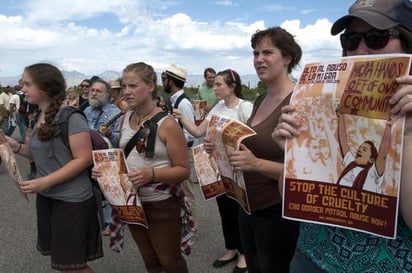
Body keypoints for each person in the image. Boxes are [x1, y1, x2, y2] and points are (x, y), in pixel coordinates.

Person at [272, 1, 412, 272]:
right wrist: (290, 152)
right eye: (350, 39)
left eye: (376, 37)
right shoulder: (321, 101)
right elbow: (288, 196)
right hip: (310, 256)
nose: (359, 49)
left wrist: (407, 132)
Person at [204, 27, 302, 273]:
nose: (259, 59)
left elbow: (308, 172)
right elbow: (250, 145)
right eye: (256, 52)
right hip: (247, 205)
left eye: (267, 52)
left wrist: (256, 164)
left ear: (287, 57)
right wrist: (220, 145)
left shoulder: (300, 101)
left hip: (276, 211)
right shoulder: (261, 99)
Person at [93, 62, 193, 273]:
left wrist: (152, 173)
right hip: (132, 203)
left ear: (150, 87)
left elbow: (184, 170)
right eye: (124, 86)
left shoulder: (168, 124)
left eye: (133, 86)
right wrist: (106, 171)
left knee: (170, 260)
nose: (127, 92)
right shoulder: (126, 117)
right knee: (149, 259)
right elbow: (124, 157)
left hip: (161, 205)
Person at [6, 63, 103, 272]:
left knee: (73, 267)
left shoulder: (71, 116)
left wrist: (44, 181)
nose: (22, 87)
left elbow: (83, 159)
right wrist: (13, 146)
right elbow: (40, 155)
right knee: (64, 264)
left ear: (46, 88)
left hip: (72, 202)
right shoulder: (39, 115)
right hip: (49, 199)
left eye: (28, 83)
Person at [174, 69, 253, 273]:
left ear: (232, 86)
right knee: (225, 212)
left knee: (239, 213)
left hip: (239, 170)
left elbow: (253, 140)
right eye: (214, 84)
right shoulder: (217, 107)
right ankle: (231, 249)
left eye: (219, 84)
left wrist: (228, 144)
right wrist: (182, 118)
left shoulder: (245, 108)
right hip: (218, 170)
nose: (214, 87)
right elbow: (199, 132)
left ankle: (244, 254)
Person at [84, 78, 122, 235]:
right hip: (87, 157)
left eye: (98, 91)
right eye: (92, 90)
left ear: (107, 94)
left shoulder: (116, 113)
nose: (93, 93)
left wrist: (110, 134)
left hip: (107, 159)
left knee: (107, 190)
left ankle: (109, 222)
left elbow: (121, 139)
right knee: (90, 190)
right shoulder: (86, 111)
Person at [163, 64, 198, 227]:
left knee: (187, 191)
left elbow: (190, 133)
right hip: (177, 152)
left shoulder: (183, 103)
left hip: (184, 153)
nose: (163, 82)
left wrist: (171, 142)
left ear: (170, 81)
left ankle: (192, 225)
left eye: (164, 79)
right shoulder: (175, 101)